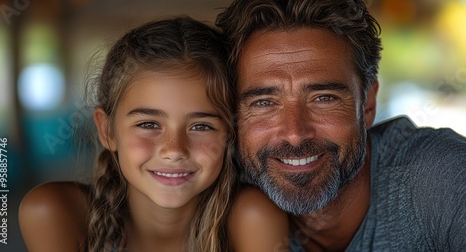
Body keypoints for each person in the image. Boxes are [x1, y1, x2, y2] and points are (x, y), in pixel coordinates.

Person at [215, 0, 466, 251]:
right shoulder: (213, 205)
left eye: (323, 98)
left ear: (368, 105)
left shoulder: (445, 180)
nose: (295, 134)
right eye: (264, 103)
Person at [19, 16, 290, 252]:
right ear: (107, 130)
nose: (174, 150)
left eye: (201, 126)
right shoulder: (55, 212)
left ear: (230, 134)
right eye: (149, 124)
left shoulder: (252, 217)